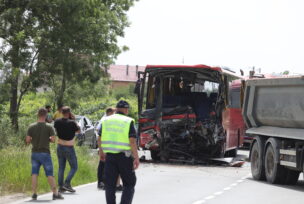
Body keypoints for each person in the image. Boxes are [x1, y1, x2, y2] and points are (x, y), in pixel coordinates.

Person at [100, 100, 140, 204]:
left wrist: (101, 152)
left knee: (110, 185)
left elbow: (99, 138)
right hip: (124, 157)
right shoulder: (128, 121)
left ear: (116, 109)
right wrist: (136, 157)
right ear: (126, 110)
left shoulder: (106, 120)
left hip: (110, 157)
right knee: (129, 184)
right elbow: (132, 141)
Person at [26, 108, 64, 200]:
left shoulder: (31, 126)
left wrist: (33, 140)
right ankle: (55, 193)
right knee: (49, 174)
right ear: (46, 115)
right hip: (45, 153)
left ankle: (34, 193)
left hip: (35, 153)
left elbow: (27, 140)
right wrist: (47, 139)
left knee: (34, 173)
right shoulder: (49, 126)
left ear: (37, 114)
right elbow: (53, 140)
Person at [54, 106, 80, 193]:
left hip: (59, 145)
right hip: (69, 147)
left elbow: (56, 129)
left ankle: (61, 187)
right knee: (74, 167)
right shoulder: (72, 123)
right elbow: (78, 131)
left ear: (61, 112)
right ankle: (67, 183)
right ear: (69, 113)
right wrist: (74, 119)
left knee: (61, 167)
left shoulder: (57, 122)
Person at [97, 108, 123, 191]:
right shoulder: (105, 120)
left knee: (107, 165)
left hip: (108, 144)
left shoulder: (108, 120)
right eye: (113, 112)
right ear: (110, 113)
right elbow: (99, 132)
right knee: (104, 165)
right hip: (106, 145)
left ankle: (107, 183)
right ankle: (103, 182)